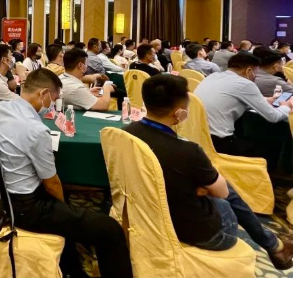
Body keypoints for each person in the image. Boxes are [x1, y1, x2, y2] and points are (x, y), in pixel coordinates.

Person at [125, 75, 292, 268]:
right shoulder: (188, 151)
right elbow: (222, 193)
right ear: (179, 113)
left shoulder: (128, 132)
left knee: (214, 188)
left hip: (146, 217)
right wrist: (202, 188)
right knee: (226, 196)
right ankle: (273, 245)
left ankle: (274, 245)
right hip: (196, 232)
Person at [0, 68, 133, 278]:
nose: (52, 105)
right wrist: (64, 209)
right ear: (43, 94)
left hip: (4, 195)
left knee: (71, 216)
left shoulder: (0, 108)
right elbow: (51, 184)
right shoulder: (35, 130)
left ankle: (71, 267)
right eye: (54, 99)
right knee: (110, 229)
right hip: (26, 207)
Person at [194, 53, 292, 167]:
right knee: (266, 146)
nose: (256, 77)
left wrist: (265, 100)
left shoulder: (213, 76)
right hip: (220, 142)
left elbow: (230, 99)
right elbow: (273, 117)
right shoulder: (245, 84)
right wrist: (286, 106)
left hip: (197, 135)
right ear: (248, 71)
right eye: (256, 73)